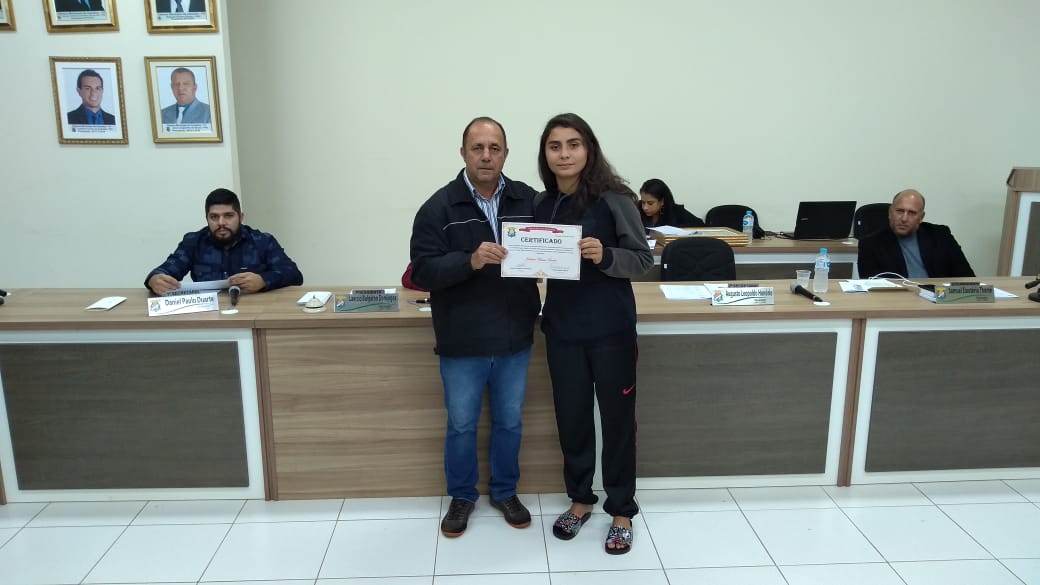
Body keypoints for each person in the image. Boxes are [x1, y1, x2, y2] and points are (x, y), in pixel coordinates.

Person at [409, 117, 541, 538]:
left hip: (515, 336)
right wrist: (470, 260)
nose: (486, 156)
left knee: (510, 422)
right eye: (477, 148)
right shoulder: (438, 207)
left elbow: (550, 244)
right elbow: (422, 271)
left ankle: (505, 491)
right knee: (462, 424)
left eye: (494, 148)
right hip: (462, 339)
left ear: (505, 153)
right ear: (463, 153)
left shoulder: (529, 200)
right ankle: (463, 496)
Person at [533, 113, 653, 555]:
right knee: (573, 421)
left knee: (617, 423)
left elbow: (643, 261)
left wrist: (605, 256)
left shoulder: (615, 199)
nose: (564, 154)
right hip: (563, 330)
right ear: (545, 154)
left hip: (611, 332)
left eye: (573, 144)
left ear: (589, 149)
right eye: (555, 146)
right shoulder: (543, 204)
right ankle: (581, 499)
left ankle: (621, 510)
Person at [145, 188, 303, 295]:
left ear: (241, 217)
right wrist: (154, 280)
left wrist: (263, 280)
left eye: (228, 216)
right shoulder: (193, 242)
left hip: (253, 312)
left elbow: (293, 275)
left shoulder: (262, 241)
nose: (221, 222)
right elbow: (164, 271)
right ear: (207, 219)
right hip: (209, 317)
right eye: (214, 217)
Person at [858, 189, 975, 279]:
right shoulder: (870, 244)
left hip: (939, 298)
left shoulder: (941, 236)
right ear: (890, 213)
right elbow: (872, 287)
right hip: (898, 301)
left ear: (921, 217)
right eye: (900, 211)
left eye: (912, 213)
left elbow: (967, 277)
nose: (904, 218)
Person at [639, 178, 705, 229]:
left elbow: (700, 225)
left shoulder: (675, 211)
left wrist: (676, 228)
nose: (645, 207)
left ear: (662, 201)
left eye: (650, 203)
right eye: (643, 202)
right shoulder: (637, 211)